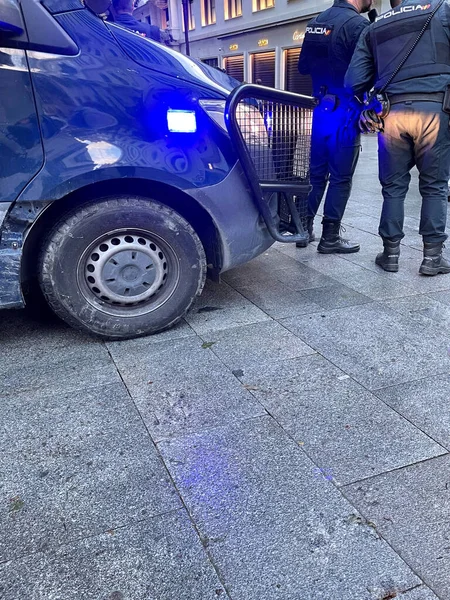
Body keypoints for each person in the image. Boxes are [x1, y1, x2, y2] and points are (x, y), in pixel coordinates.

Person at [345, 0, 450, 276]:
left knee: (393, 187)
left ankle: (390, 254)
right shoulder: (443, 8)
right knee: (435, 186)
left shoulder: (375, 25)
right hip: (435, 109)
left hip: (390, 114)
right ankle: (432, 257)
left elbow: (352, 82)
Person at [297, 0, 373, 253]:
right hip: (345, 110)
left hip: (320, 108)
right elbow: (365, 71)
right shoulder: (359, 24)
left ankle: (302, 229)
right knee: (341, 177)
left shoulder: (316, 22)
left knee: (316, 173)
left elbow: (302, 67)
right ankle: (330, 236)